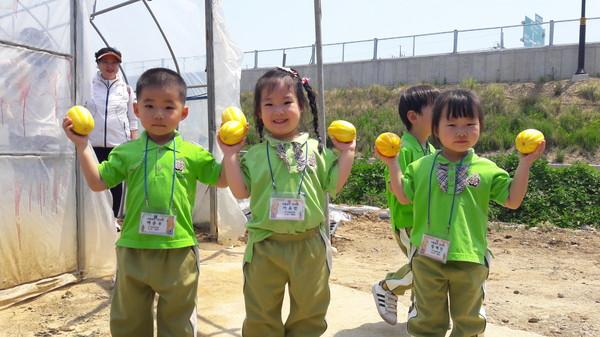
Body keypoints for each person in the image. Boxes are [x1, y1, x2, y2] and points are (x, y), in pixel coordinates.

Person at [63, 67, 227, 337]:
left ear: (183, 113)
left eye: (168, 106)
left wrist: (229, 152)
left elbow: (221, 180)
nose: (159, 114)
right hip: (133, 250)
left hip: (179, 251)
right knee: (129, 322)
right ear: (136, 110)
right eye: (149, 105)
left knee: (178, 323)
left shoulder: (192, 152)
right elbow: (97, 182)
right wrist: (83, 146)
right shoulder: (127, 151)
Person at [376, 89, 545, 337]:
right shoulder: (420, 166)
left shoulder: (486, 168)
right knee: (427, 320)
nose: (462, 131)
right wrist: (391, 163)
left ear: (480, 126)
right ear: (435, 128)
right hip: (426, 258)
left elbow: (512, 200)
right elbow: (403, 196)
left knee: (468, 321)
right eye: (452, 124)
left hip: (471, 259)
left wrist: (525, 163)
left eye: (470, 124)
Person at [218, 66, 355, 337]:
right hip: (264, 246)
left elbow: (333, 185)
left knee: (309, 312)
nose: (278, 111)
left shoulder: (318, 149)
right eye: (268, 104)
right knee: (261, 314)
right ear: (258, 112)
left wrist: (347, 153)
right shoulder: (255, 154)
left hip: (310, 246)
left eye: (286, 102)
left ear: (301, 106)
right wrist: (230, 155)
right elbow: (240, 192)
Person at [371, 84, 439, 325]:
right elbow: (395, 186)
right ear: (414, 116)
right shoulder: (402, 147)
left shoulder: (430, 149)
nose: (444, 113)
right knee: (425, 267)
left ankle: (418, 311)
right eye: (437, 108)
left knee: (430, 265)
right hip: (409, 221)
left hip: (429, 222)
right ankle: (387, 287)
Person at [85, 46, 138, 219]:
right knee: (93, 183)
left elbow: (133, 118)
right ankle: (94, 221)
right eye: (105, 61)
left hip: (119, 146)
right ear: (98, 64)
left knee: (115, 185)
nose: (110, 66)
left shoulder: (127, 90)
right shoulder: (88, 87)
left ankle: (112, 219)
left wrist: (134, 143)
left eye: (114, 62)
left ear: (119, 65)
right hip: (93, 145)